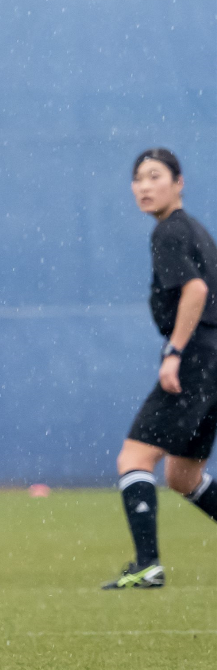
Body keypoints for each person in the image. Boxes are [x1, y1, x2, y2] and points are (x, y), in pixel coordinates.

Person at [104, 148, 217, 589]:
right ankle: (148, 565)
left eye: (156, 176)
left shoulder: (169, 232)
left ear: (179, 182)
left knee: (134, 457)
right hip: (212, 361)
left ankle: (148, 566)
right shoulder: (197, 232)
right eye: (138, 178)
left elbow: (195, 289)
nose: (145, 186)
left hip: (195, 360)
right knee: (183, 475)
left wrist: (175, 352)